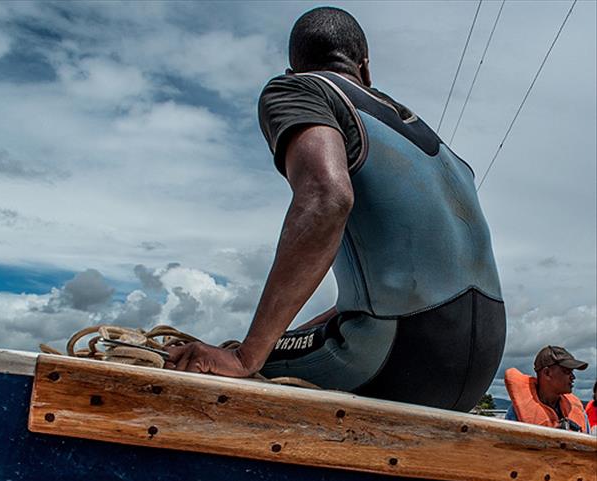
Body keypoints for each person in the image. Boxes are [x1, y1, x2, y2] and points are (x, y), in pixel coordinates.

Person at [165, 6, 506, 412]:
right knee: (276, 346)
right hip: (480, 362)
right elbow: (407, 291)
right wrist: (285, 338)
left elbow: (327, 197)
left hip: (399, 356)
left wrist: (245, 357)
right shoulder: (443, 153)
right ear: (366, 67)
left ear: (293, 70)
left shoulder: (300, 89)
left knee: (228, 364)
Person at [504, 346, 590, 434]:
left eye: (572, 372)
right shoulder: (516, 413)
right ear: (547, 373)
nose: (573, 377)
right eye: (567, 371)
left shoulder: (579, 410)